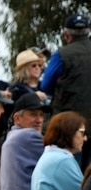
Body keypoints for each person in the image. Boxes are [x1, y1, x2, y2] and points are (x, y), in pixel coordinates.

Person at [41, 14, 91, 170]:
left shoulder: (62, 55)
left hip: (69, 126)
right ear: (88, 32)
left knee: (70, 172)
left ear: (66, 34)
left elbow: (46, 84)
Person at [0, 93, 50, 190]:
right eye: (33, 115)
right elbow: (64, 156)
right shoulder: (28, 136)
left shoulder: (12, 136)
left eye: (41, 115)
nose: (39, 120)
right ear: (17, 118)